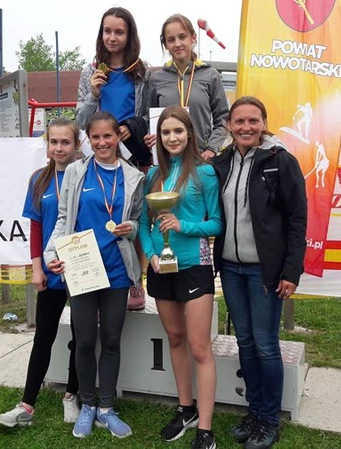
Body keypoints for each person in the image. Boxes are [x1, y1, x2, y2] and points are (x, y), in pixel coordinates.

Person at [212, 97, 308, 449]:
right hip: (231, 268)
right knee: (245, 342)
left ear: (264, 123)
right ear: (229, 126)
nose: (246, 127)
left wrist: (291, 271)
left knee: (266, 345)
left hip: (265, 271)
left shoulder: (280, 161)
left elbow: (297, 219)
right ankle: (254, 411)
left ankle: (269, 419)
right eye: (239, 121)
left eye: (253, 121)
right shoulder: (221, 162)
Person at [44, 111, 145, 439]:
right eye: (96, 137)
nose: (102, 143)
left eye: (108, 136)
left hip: (117, 270)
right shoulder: (76, 171)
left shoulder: (133, 177)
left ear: (118, 137)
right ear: (89, 140)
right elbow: (63, 217)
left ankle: (107, 408)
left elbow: (138, 220)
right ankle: (87, 404)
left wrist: (131, 228)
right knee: (85, 341)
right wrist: (51, 254)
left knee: (112, 340)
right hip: (82, 267)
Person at [139, 106, 222, 449]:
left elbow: (216, 223)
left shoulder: (205, 173)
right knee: (175, 338)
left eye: (178, 131)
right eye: (165, 132)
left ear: (189, 133)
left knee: (199, 347)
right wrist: (151, 254)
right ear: (158, 137)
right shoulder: (153, 176)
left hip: (195, 265)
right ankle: (185, 409)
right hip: (162, 268)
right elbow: (143, 222)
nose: (172, 138)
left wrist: (182, 225)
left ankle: (205, 428)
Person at [0, 118, 81, 428]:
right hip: (51, 271)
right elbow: (35, 227)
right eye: (53, 142)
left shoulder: (86, 174)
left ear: (77, 145)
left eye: (65, 142)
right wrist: (37, 268)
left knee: (81, 338)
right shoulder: (40, 180)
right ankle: (27, 404)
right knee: (44, 336)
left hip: (80, 268)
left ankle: (71, 395)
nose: (59, 148)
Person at [76, 6, 151, 310]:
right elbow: (80, 119)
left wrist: (133, 127)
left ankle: (135, 283)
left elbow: (147, 114)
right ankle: (96, 281)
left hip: (130, 155)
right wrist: (93, 94)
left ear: (130, 35)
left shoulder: (142, 71)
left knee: (132, 219)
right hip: (99, 153)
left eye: (119, 32)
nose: (112, 37)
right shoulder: (90, 70)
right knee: (98, 216)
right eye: (107, 31)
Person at [146, 14, 229, 161]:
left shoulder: (210, 75)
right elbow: (148, 118)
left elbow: (223, 118)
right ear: (165, 44)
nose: (177, 44)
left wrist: (212, 148)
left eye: (182, 37)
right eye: (171, 40)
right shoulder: (156, 79)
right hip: (168, 160)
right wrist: (149, 135)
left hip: (201, 158)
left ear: (193, 38)